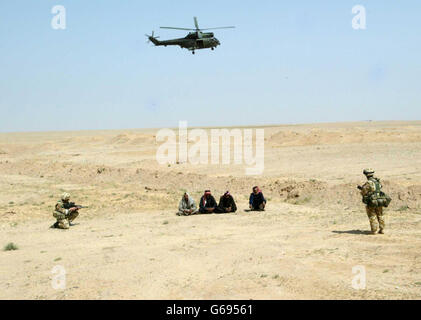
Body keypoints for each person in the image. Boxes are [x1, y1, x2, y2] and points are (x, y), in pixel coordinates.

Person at [358, 169, 391, 235]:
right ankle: (382, 229)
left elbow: (364, 192)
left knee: (372, 215)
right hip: (380, 200)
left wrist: (362, 190)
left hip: (372, 201)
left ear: (366, 175)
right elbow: (379, 187)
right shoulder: (377, 181)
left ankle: (374, 230)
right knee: (380, 214)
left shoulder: (368, 183)